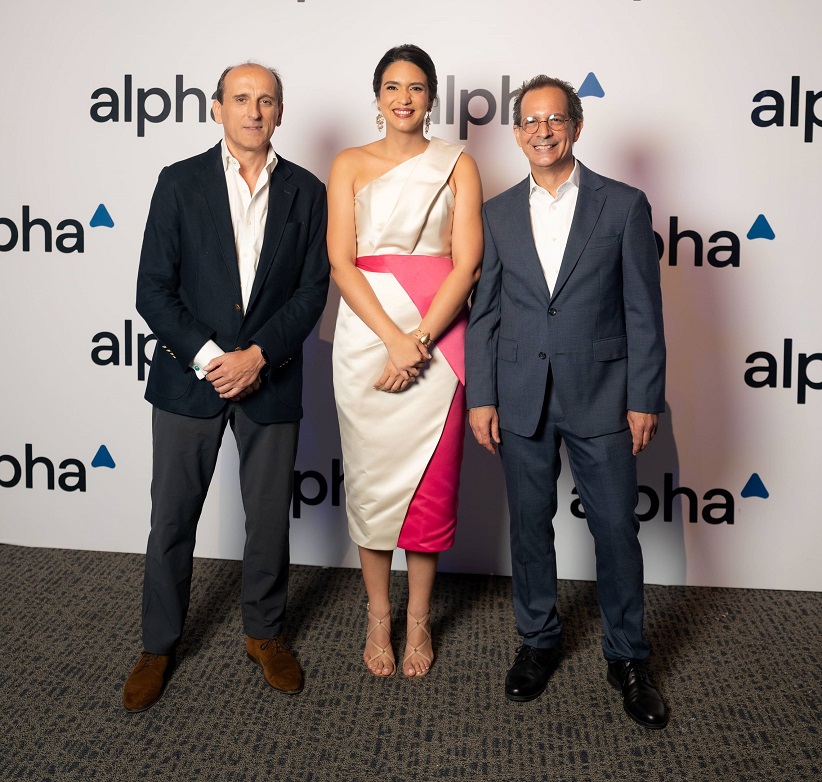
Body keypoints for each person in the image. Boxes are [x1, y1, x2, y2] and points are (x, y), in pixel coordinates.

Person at [123, 62, 329, 712]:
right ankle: (158, 645)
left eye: (266, 100)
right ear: (217, 108)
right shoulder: (179, 182)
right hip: (191, 380)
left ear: (280, 112)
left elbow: (311, 292)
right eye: (241, 99)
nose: (254, 111)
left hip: (271, 378)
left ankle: (264, 633)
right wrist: (216, 359)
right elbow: (152, 289)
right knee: (171, 518)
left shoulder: (307, 191)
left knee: (267, 519)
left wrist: (258, 357)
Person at [465, 75, 669, 728]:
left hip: (604, 395)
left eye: (555, 119)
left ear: (576, 127)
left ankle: (628, 656)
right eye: (530, 121)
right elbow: (484, 313)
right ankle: (538, 640)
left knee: (615, 529)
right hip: (520, 395)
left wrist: (644, 396)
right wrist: (481, 395)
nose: (543, 131)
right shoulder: (497, 212)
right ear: (516, 132)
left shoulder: (623, 205)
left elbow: (643, 310)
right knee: (529, 527)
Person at [327, 45, 483, 678]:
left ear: (431, 98)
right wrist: (392, 339)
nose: (404, 98)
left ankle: (418, 618)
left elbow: (466, 262)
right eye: (392, 87)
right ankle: (377, 614)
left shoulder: (459, 164)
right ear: (377, 97)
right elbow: (341, 261)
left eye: (416, 88)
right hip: (367, 336)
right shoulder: (348, 163)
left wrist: (416, 341)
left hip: (437, 339)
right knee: (370, 483)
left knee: (430, 486)